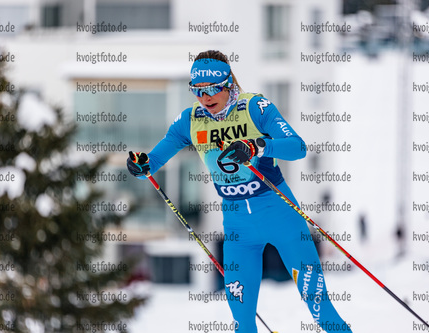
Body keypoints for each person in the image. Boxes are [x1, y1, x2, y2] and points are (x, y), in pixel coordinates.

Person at [127, 50, 351, 332]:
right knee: (242, 322)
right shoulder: (190, 120)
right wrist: (142, 165)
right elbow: (155, 160)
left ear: (228, 83)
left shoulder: (255, 108)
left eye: (211, 89)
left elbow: (298, 147)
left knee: (319, 307)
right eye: (197, 90)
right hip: (237, 229)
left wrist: (259, 146)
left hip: (280, 215)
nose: (205, 97)